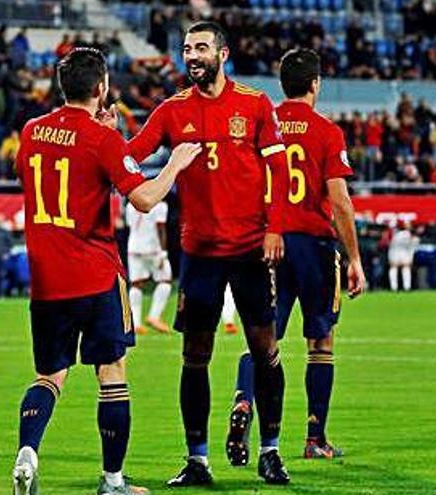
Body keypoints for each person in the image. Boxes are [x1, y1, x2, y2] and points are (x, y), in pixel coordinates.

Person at [10, 47, 201, 495]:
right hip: (94, 274)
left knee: (50, 376)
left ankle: (28, 453)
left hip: (46, 277)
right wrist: (174, 163)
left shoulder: (32, 131)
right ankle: (113, 481)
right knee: (111, 371)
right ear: (102, 88)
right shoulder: (102, 140)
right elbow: (145, 199)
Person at [128, 21, 292, 486]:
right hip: (198, 253)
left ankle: (271, 450)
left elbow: (279, 171)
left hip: (249, 250)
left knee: (265, 349)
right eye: (186, 49)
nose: (192, 55)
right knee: (194, 353)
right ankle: (197, 459)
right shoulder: (171, 110)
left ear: (222, 53)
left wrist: (274, 228)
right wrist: (107, 138)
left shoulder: (255, 104)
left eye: (201, 47)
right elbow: (131, 155)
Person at [228, 48, 366, 461]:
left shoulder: (260, 126)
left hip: (267, 241)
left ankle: (243, 402)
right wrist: (355, 256)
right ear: (315, 84)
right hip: (313, 246)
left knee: (263, 338)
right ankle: (314, 438)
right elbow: (339, 201)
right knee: (320, 341)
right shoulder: (326, 131)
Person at [126, 200, 173, 334]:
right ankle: (154, 316)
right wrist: (164, 253)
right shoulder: (160, 205)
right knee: (165, 280)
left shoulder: (130, 205)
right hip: (153, 249)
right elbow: (161, 228)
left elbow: (130, 225)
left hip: (134, 247)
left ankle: (136, 322)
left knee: (136, 284)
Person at [388, 221, 417, 291]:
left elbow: (412, 248)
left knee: (405, 268)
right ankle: (394, 287)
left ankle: (406, 287)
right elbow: (392, 246)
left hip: (405, 254)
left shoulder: (412, 236)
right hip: (395, 253)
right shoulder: (396, 234)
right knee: (394, 268)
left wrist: (410, 258)